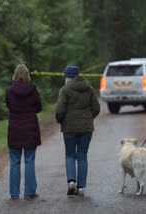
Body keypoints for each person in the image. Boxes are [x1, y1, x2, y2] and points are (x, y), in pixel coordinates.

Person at [55, 65, 100, 197]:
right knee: (82, 156)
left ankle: (71, 181)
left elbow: (60, 110)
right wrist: (88, 118)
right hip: (86, 128)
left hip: (69, 127)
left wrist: (60, 120)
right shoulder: (89, 89)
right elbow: (96, 108)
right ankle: (81, 188)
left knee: (69, 154)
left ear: (67, 77)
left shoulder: (65, 89)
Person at [5, 64, 42, 200]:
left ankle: (14, 193)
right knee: (29, 161)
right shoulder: (33, 90)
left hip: (14, 128)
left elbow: (8, 105)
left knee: (14, 162)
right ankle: (29, 192)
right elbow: (39, 107)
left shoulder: (9, 91)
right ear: (27, 75)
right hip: (30, 128)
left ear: (15, 75)